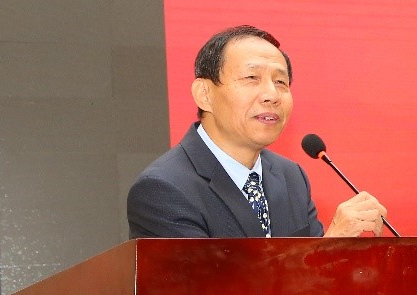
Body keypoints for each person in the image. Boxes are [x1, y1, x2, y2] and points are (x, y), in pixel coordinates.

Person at [127, 25, 387, 238]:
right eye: (252, 78)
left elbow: (318, 280)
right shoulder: (164, 189)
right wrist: (330, 246)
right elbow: (209, 288)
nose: (272, 95)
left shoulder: (291, 177)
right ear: (204, 94)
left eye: (281, 82)